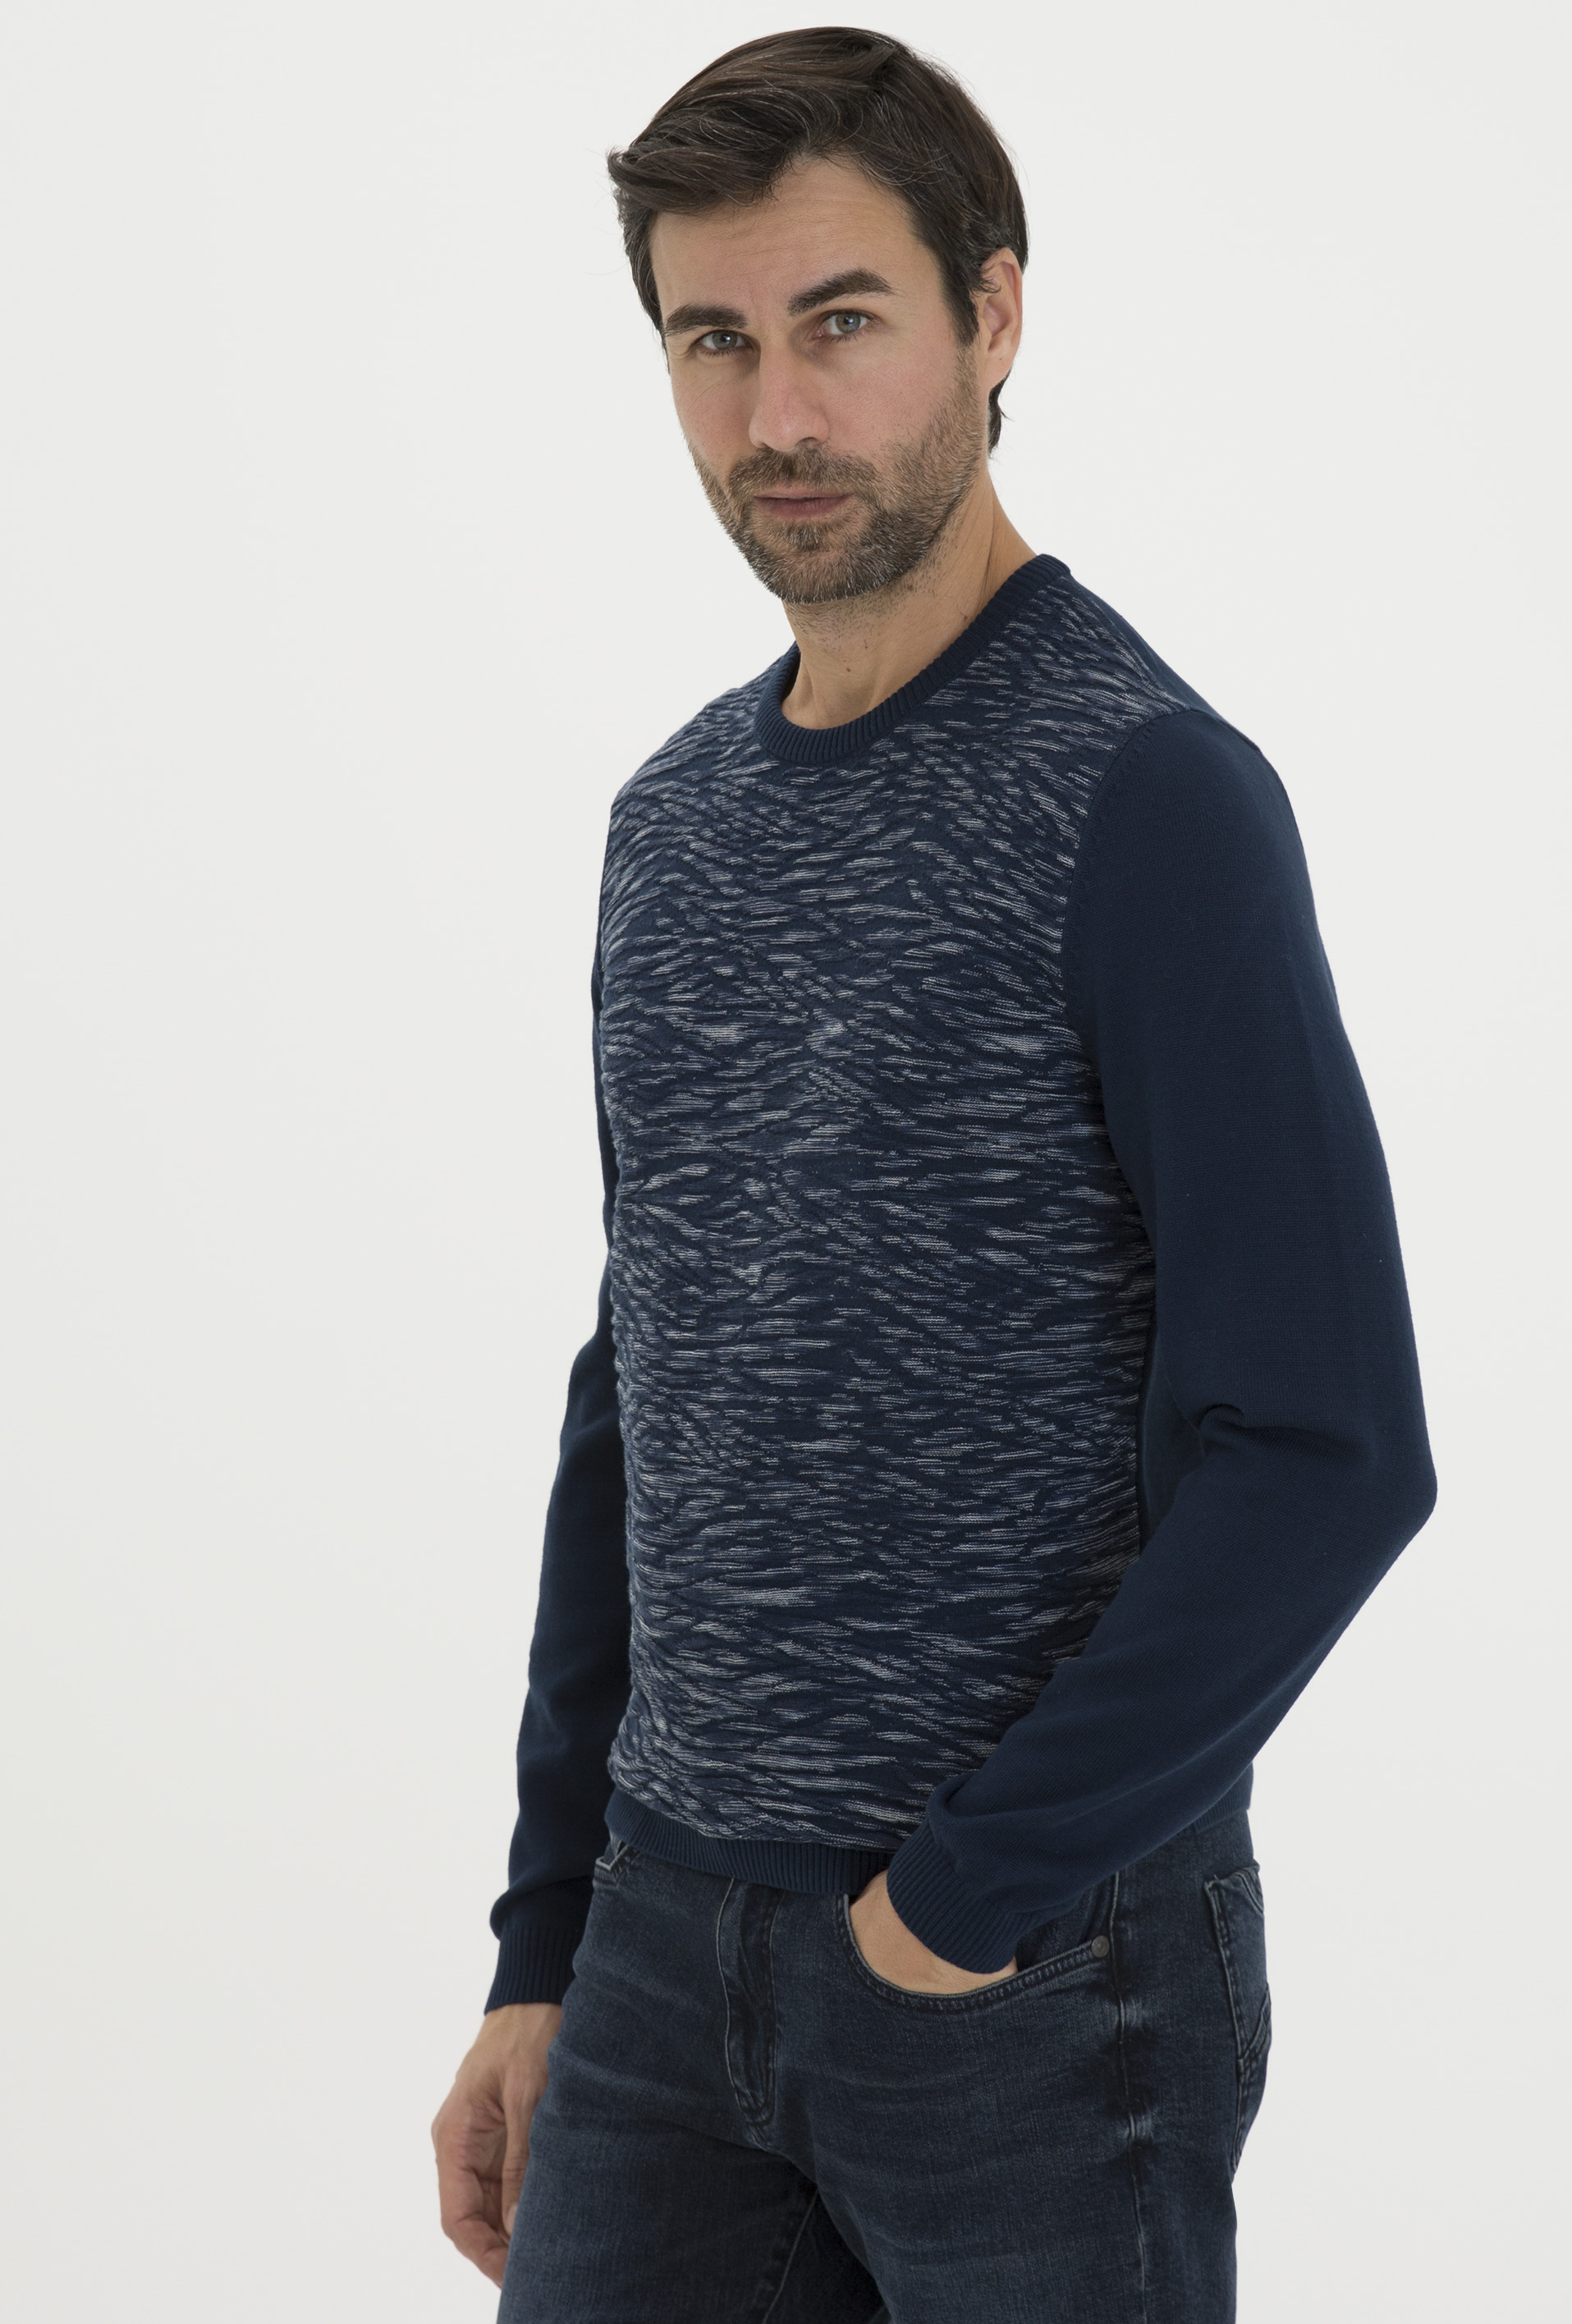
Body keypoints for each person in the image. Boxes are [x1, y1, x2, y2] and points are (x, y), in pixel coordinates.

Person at [432, 27, 1437, 2322]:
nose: (776, 415)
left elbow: (1327, 1445)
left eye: (842, 322)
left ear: (993, 312)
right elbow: (642, 1398)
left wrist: (960, 1901)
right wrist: (545, 1938)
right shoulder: (673, 828)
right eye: (713, 339)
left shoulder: (1150, 798)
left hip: (1029, 1976)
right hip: (665, 1954)